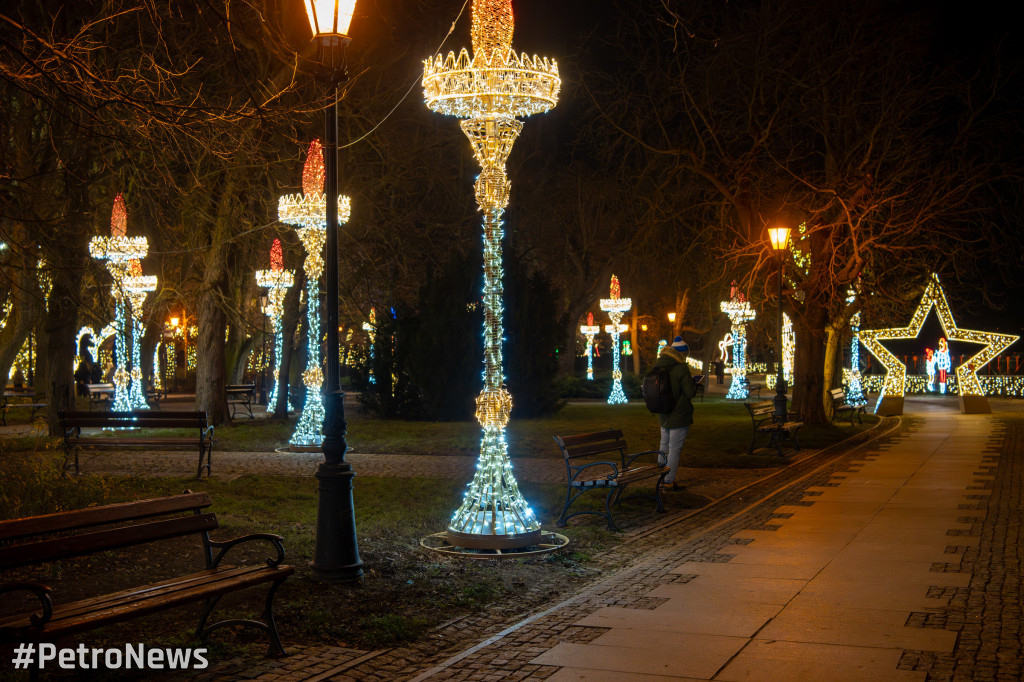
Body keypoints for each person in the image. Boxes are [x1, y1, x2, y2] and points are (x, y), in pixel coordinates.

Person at [654, 336, 697, 490]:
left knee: (663, 446)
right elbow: (690, 392)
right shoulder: (681, 368)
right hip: (679, 414)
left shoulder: (659, 365)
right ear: (681, 354)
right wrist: (694, 383)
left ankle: (660, 477)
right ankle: (669, 480)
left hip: (664, 413)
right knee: (674, 449)